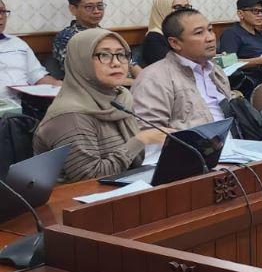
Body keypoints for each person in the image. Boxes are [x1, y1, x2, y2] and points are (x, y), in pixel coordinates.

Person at [33, 29, 168, 182]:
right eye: (104, 55)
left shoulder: (121, 97)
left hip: (124, 186)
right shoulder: (69, 116)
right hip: (80, 195)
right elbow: (89, 178)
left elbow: (133, 162)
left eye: (121, 54)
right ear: (81, 62)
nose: (116, 63)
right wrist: (139, 141)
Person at [132, 8, 233, 130]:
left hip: (234, 138)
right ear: (175, 43)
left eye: (210, 30)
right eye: (199, 33)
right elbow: (149, 132)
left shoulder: (215, 70)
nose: (210, 38)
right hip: (196, 142)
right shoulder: (154, 78)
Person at [0, 0, 59, 102]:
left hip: (24, 104)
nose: (1, 17)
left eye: (3, 12)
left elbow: (37, 76)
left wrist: (57, 85)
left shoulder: (18, 44)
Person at [52, 0, 106, 74]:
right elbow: (79, 72)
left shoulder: (107, 34)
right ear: (73, 9)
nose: (96, 11)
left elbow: (127, 62)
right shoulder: (67, 37)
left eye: (100, 6)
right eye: (89, 7)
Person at [139, 0, 189, 68]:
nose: (184, 11)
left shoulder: (184, 31)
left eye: (187, 7)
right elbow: (171, 68)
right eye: (177, 7)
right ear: (162, 10)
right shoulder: (154, 38)